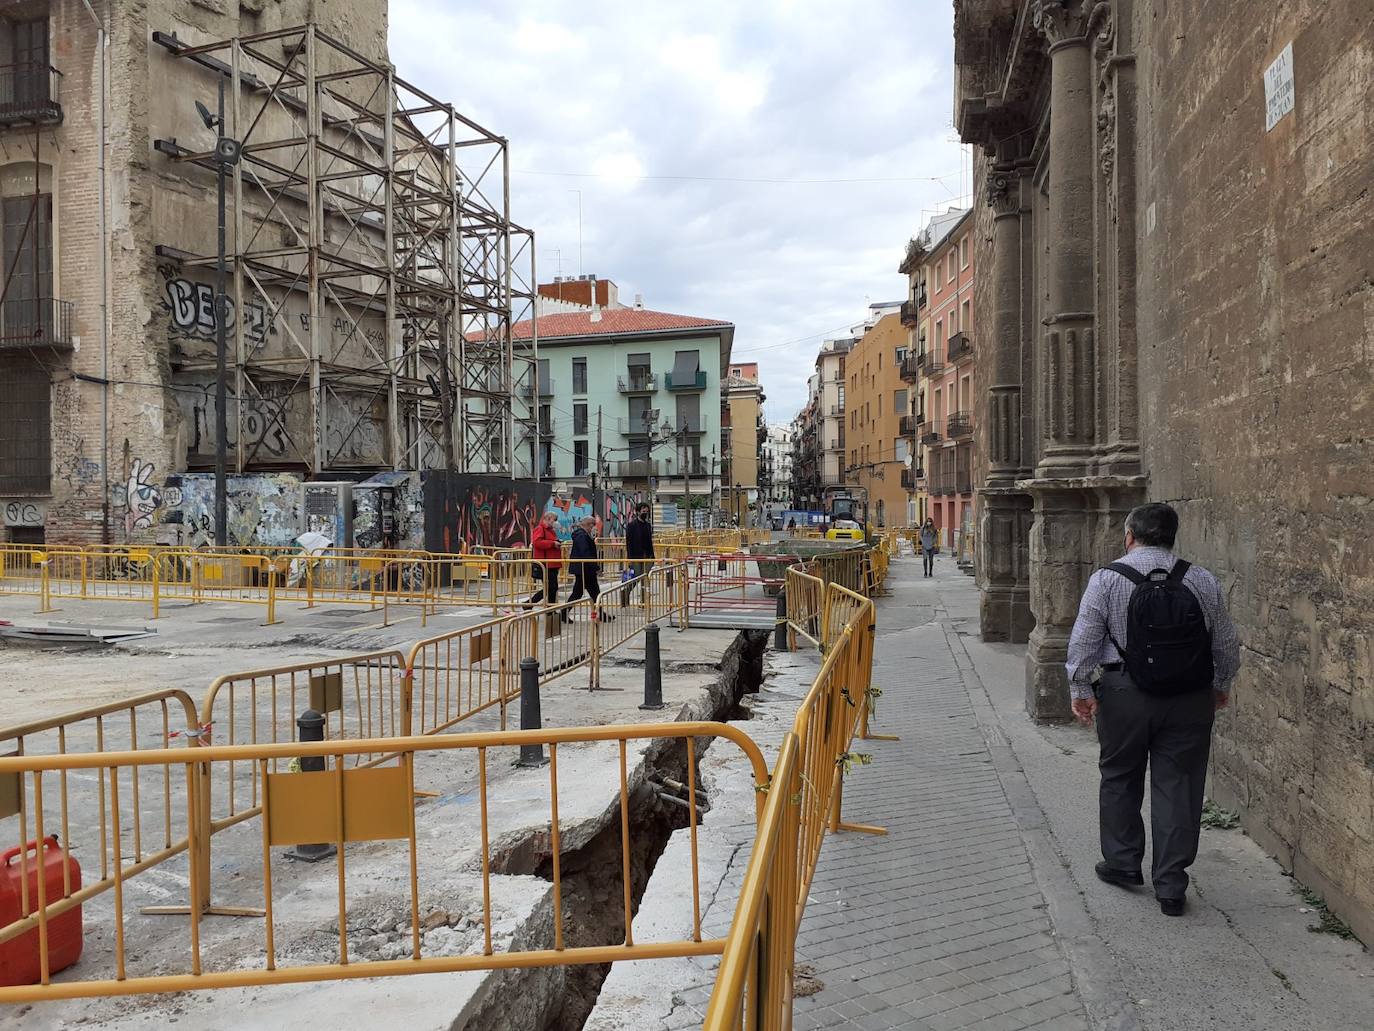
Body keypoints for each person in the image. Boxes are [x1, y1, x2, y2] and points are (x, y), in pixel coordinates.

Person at [1066, 502, 1240, 917]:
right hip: (1189, 697)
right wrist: (1220, 685)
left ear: (1130, 536)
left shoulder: (1107, 578)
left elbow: (1084, 640)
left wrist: (1079, 688)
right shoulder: (1201, 579)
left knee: (1120, 775)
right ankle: (1172, 886)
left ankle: (1124, 863)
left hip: (1124, 693)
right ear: (1172, 536)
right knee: (1179, 785)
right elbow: (1226, 645)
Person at [566, 516, 609, 617]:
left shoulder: (584, 535)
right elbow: (585, 553)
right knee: (579, 593)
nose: (593, 527)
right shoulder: (582, 536)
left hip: (586, 569)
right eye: (592, 524)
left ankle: (601, 614)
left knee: (594, 593)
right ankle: (564, 612)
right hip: (584, 569)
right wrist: (596, 567)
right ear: (586, 524)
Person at [527, 510, 562, 608]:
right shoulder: (540, 529)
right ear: (548, 519)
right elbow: (537, 542)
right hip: (545, 564)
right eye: (555, 520)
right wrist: (552, 543)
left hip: (552, 563)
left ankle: (550, 608)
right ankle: (529, 603)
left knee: (552, 588)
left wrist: (557, 542)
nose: (556, 522)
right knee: (551, 587)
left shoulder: (551, 531)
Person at [622, 503, 655, 605]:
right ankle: (625, 595)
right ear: (638, 512)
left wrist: (652, 557)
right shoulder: (631, 526)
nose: (645, 513)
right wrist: (630, 558)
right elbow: (629, 543)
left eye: (647, 511)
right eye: (643, 511)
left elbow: (650, 541)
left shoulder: (648, 525)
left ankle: (644, 601)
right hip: (636, 556)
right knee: (635, 578)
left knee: (646, 579)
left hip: (647, 555)